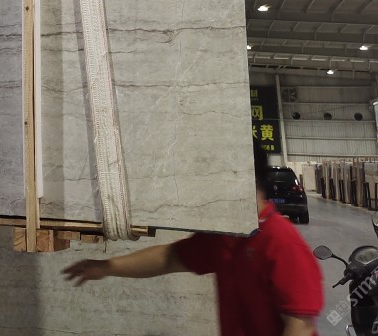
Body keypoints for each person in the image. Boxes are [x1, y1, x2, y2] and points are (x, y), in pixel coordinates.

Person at [61, 141, 323, 336]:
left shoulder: (281, 241)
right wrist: (106, 267)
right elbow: (169, 258)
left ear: (245, 178)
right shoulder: (227, 237)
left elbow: (300, 326)